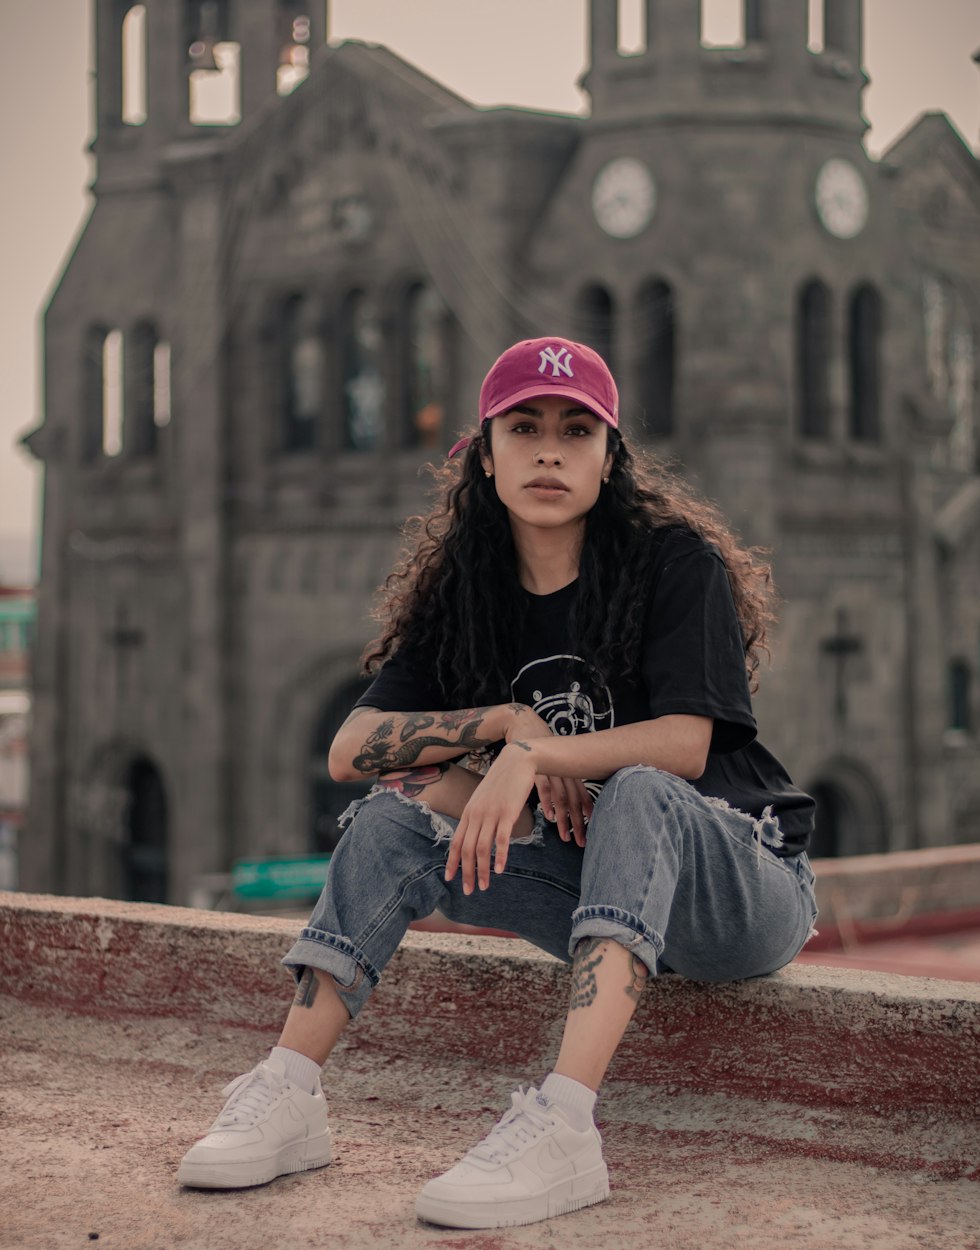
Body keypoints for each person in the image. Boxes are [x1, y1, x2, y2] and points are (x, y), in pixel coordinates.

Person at [176, 337, 818, 1229]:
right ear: (486, 453)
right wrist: (507, 726)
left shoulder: (674, 564)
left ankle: (564, 1125)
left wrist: (536, 759)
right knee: (388, 819)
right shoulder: (466, 591)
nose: (548, 449)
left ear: (608, 458)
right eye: (524, 427)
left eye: (575, 429)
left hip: (743, 891)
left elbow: (683, 742)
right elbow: (350, 747)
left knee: (637, 788)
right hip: (603, 895)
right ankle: (289, 1092)